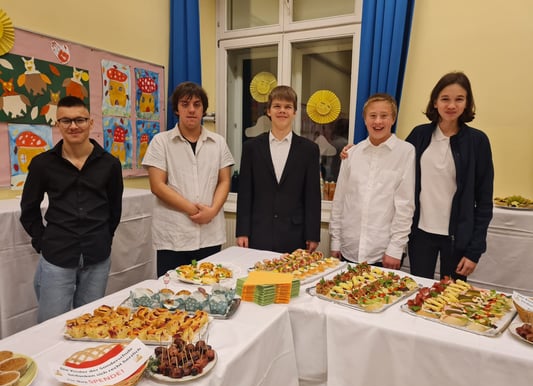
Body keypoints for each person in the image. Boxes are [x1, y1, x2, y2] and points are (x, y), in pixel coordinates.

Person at [20, 95, 123, 323]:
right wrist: (42, 242)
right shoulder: (42, 164)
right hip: (57, 256)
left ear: (90, 123)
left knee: (91, 324)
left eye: (80, 120)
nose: (73, 126)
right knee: (50, 324)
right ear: (57, 124)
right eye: (66, 120)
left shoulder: (110, 164)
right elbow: (28, 209)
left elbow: (115, 209)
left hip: (97, 256)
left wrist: (104, 238)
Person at [405, 71, 494, 280]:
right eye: (445, 99)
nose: (451, 105)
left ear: (467, 103)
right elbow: (392, 164)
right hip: (420, 233)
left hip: (458, 239)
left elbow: (484, 201)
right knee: (419, 290)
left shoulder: (478, 141)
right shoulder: (419, 135)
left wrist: (474, 251)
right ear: (435, 102)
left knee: (452, 296)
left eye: (459, 99)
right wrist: (355, 152)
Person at [142, 82, 234, 277]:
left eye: (197, 104)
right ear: (177, 109)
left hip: (210, 234)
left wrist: (212, 211)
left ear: (203, 110)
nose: (191, 109)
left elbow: (224, 180)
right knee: (171, 292)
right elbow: (157, 185)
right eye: (185, 104)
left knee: (209, 288)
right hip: (174, 236)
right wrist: (194, 210)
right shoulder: (161, 142)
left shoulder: (218, 142)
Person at [329, 93, 415, 269]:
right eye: (373, 116)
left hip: (383, 252)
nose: (378, 121)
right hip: (349, 248)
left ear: (393, 119)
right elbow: (340, 200)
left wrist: (395, 248)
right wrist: (335, 241)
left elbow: (405, 206)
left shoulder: (405, 152)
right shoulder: (352, 154)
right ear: (365, 119)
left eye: (384, 116)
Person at [236, 85, 321, 253]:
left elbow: (312, 196)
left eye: (288, 107)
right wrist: (242, 231)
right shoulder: (251, 148)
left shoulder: (309, 150)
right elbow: (245, 193)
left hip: (295, 234)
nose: (282, 111)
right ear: (268, 111)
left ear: (295, 112)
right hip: (258, 232)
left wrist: (313, 234)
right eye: (277, 106)